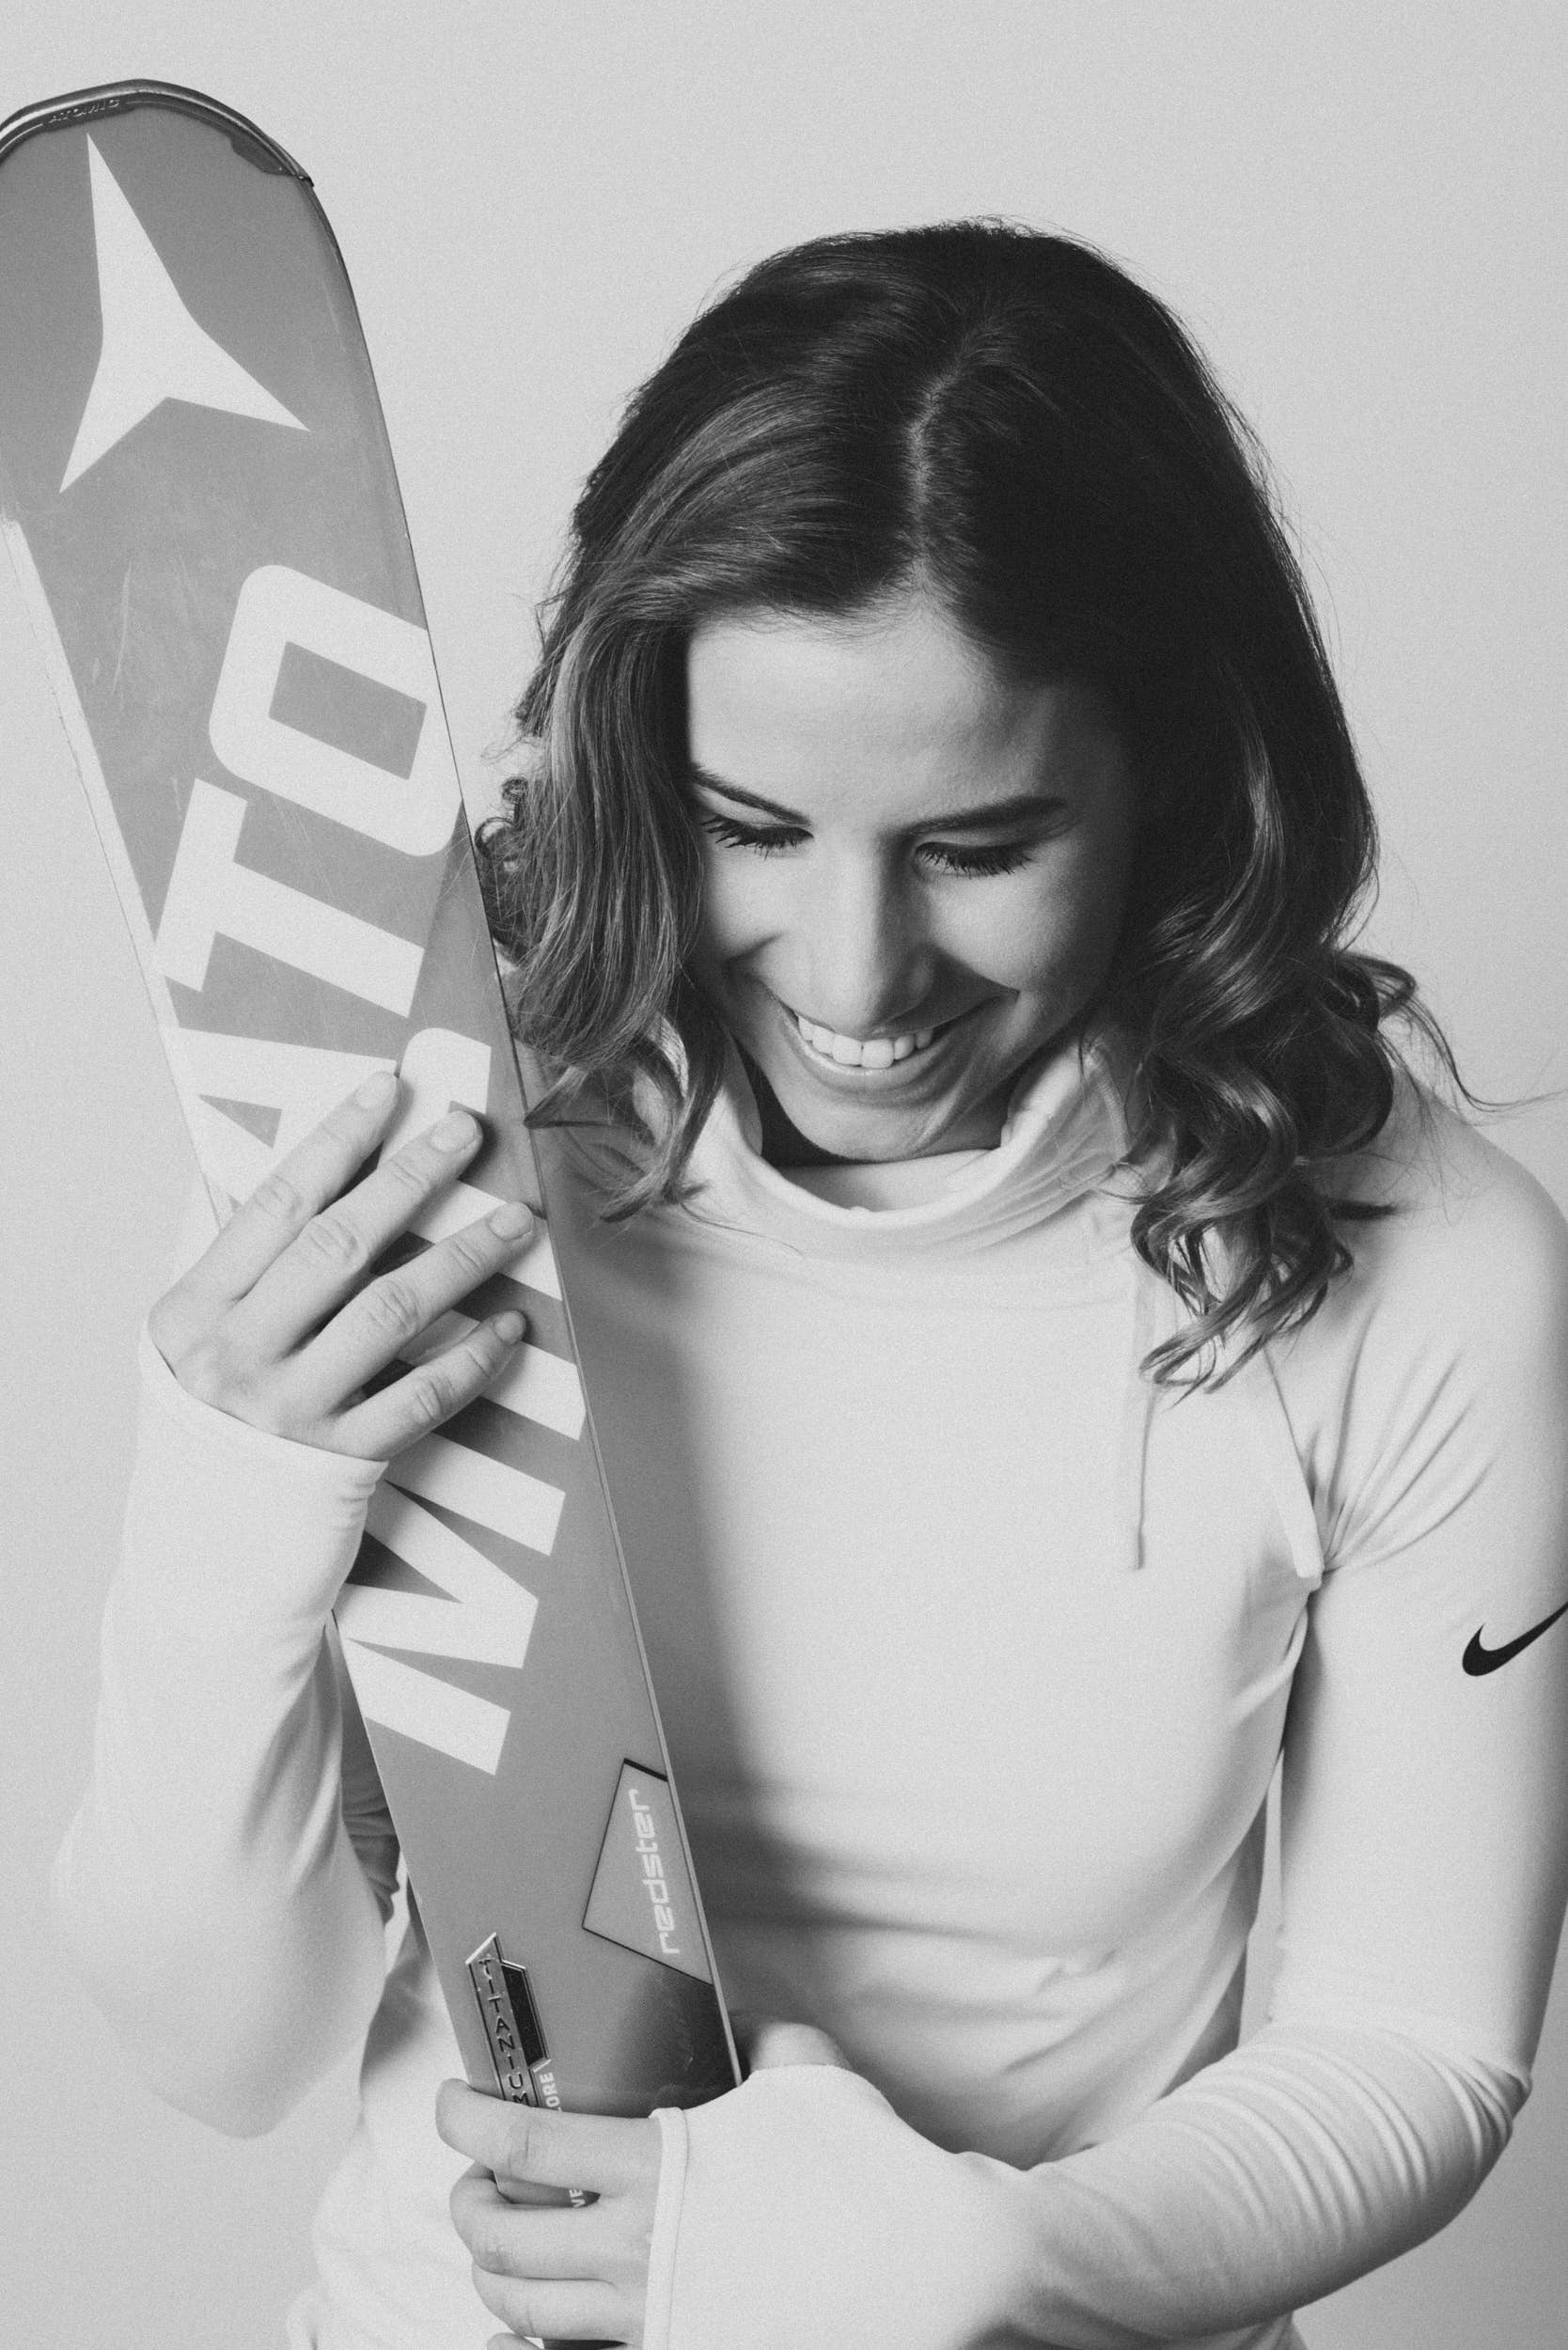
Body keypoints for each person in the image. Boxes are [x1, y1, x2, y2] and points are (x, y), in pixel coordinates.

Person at [55, 223, 1568, 2350]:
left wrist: (989, 2264)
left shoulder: (1420, 1266)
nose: (855, 980)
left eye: (979, 844)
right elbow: (220, 2043)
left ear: (1179, 772)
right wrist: (228, 1498)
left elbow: (1423, 2041)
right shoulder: (445, 1146)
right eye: (746, 821)